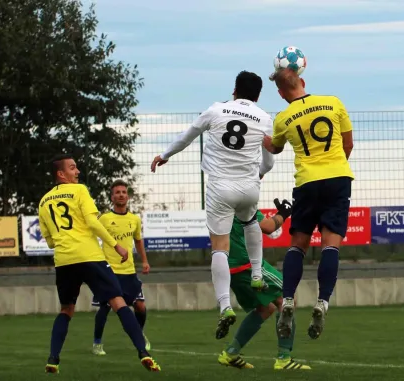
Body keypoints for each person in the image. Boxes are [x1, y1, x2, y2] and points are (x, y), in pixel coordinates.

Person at [150, 71, 275, 337]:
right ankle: (256, 274)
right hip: (249, 187)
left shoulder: (216, 110)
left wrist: (164, 155)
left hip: (220, 187)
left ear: (234, 90)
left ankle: (225, 306)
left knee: (220, 248)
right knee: (251, 221)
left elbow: (188, 135)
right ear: (258, 95)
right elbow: (269, 161)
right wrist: (260, 172)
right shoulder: (265, 118)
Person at [38, 154, 160, 373]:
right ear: (61, 173)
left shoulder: (44, 201)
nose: (78, 172)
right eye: (73, 168)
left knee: (66, 309)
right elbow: (93, 222)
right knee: (118, 301)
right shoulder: (80, 190)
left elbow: (48, 241)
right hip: (89, 256)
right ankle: (143, 352)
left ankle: (53, 359)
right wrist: (117, 245)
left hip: (64, 260)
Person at [263, 68, 354, 340]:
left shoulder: (283, 117)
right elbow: (348, 144)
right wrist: (335, 166)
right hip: (338, 177)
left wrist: (263, 138)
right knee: (331, 244)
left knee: (298, 244)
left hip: (306, 183)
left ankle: (288, 300)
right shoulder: (334, 102)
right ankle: (322, 302)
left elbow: (275, 148)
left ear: (280, 93)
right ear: (302, 81)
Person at [217, 198, 311, 370]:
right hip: (248, 265)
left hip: (227, 268)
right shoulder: (243, 201)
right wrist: (284, 213)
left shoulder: (221, 202)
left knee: (265, 308)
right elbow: (268, 227)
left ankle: (230, 353)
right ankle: (284, 358)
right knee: (286, 299)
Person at [91, 179, 152, 355]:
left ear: (128, 196)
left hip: (129, 272)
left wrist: (145, 261)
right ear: (112, 197)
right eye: (117, 192)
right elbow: (92, 237)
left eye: (124, 192)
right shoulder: (104, 218)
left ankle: (139, 335)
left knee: (140, 306)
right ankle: (97, 343)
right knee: (105, 307)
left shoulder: (134, 219)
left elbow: (138, 241)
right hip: (109, 271)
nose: (121, 195)